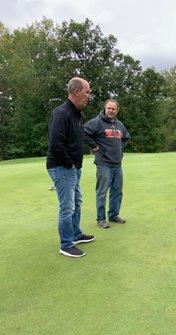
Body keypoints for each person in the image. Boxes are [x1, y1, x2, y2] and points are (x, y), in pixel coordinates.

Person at [47, 77, 95, 258]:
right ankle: (66, 245)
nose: (89, 96)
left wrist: (76, 165)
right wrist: (71, 164)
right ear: (76, 92)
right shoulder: (61, 113)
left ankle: (75, 234)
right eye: (87, 92)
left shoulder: (77, 114)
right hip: (62, 166)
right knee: (67, 207)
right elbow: (55, 144)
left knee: (76, 202)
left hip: (73, 168)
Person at [84, 99, 131, 228]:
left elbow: (127, 137)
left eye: (113, 109)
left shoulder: (119, 124)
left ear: (117, 111)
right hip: (103, 164)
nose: (110, 110)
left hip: (117, 164)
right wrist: (94, 145)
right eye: (108, 108)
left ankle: (114, 215)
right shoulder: (96, 122)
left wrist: (120, 148)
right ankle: (101, 219)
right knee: (102, 192)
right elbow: (83, 133)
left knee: (117, 191)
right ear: (105, 108)